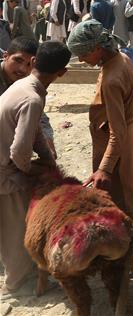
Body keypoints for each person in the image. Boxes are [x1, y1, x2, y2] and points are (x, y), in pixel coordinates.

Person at [0, 41, 69, 294]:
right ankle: (18, 283)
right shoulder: (31, 97)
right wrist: (31, 172)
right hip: (4, 171)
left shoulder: (25, 86)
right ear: (62, 72)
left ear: (33, 62)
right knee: (15, 228)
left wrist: (47, 158)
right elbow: (18, 151)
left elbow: (35, 129)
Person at [67, 20, 133, 220]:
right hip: (122, 141)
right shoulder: (121, 59)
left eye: (83, 54)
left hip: (117, 149)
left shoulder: (112, 80)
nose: (82, 60)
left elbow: (117, 133)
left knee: (120, 208)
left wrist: (104, 168)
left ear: (98, 48)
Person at [0, 38, 57, 158]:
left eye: (29, 64)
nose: (23, 69)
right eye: (18, 60)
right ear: (5, 56)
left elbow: (39, 116)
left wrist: (48, 144)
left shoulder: (27, 84)